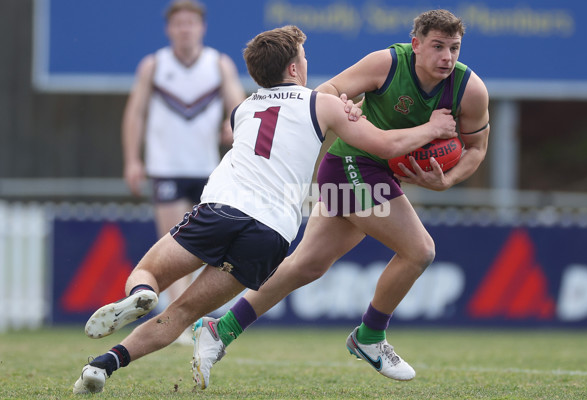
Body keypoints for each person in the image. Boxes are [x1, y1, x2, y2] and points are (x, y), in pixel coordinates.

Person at [73, 25, 457, 394]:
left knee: (148, 273)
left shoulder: (240, 110)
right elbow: (385, 145)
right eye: (303, 58)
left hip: (221, 209)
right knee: (185, 313)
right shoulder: (321, 104)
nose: (306, 64)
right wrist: (432, 127)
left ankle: (141, 296)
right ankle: (104, 364)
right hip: (271, 233)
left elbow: (283, 127)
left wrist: (345, 109)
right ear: (294, 68)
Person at [193, 9, 490, 387]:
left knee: (306, 266)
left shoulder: (470, 89)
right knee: (420, 251)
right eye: (437, 46)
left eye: (454, 48)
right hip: (352, 164)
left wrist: (448, 180)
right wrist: (347, 108)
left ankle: (221, 330)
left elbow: (477, 148)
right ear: (416, 45)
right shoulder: (386, 63)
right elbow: (327, 93)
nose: (447, 57)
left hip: (375, 173)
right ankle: (369, 335)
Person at [121, 0, 246, 344]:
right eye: (179, 24)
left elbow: (237, 103)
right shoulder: (154, 65)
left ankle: (185, 315)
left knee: (203, 249)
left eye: (191, 23)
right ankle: (179, 320)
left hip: (207, 170)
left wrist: (231, 122)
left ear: (201, 28)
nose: (185, 29)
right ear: (169, 29)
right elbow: (135, 114)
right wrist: (133, 160)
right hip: (166, 168)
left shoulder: (218, 63)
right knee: (172, 245)